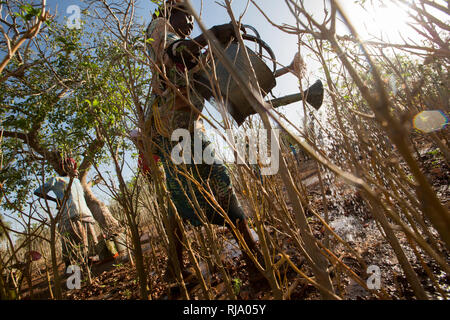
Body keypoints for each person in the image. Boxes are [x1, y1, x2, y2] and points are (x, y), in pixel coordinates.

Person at [144, 0, 264, 282]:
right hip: (179, 128)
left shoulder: (184, 46)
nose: (188, 26)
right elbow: (178, 53)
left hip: (176, 128)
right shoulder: (159, 27)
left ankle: (174, 272)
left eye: (190, 21)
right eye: (185, 18)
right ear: (169, 12)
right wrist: (211, 33)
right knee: (219, 178)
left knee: (181, 193)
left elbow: (207, 84)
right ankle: (257, 266)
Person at [34, 157, 99, 268]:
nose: (69, 167)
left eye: (71, 165)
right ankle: (72, 270)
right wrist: (55, 200)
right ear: (62, 167)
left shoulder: (77, 181)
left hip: (85, 213)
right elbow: (38, 191)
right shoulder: (57, 180)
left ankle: (90, 266)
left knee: (91, 245)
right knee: (72, 245)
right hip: (69, 215)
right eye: (66, 165)